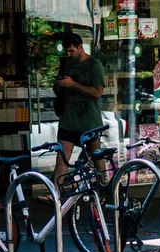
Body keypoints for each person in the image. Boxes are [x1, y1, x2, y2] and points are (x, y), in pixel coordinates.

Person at [37, 33, 106, 205]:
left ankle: (104, 190)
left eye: (71, 51)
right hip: (68, 119)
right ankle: (55, 194)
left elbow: (97, 92)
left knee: (97, 158)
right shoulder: (65, 64)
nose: (69, 54)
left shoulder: (94, 65)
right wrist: (59, 85)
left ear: (80, 46)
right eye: (66, 51)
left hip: (89, 121)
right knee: (61, 158)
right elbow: (56, 89)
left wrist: (73, 84)